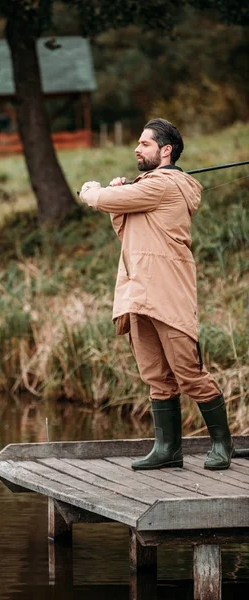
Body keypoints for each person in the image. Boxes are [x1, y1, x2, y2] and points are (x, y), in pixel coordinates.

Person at [79, 118, 234, 471]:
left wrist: (93, 191)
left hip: (168, 296)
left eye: (145, 144)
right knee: (156, 376)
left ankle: (222, 444)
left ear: (166, 151)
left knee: (188, 372)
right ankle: (168, 450)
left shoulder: (166, 184)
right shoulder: (148, 187)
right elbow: (128, 232)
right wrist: (120, 197)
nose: (137, 148)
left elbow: (100, 199)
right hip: (139, 294)